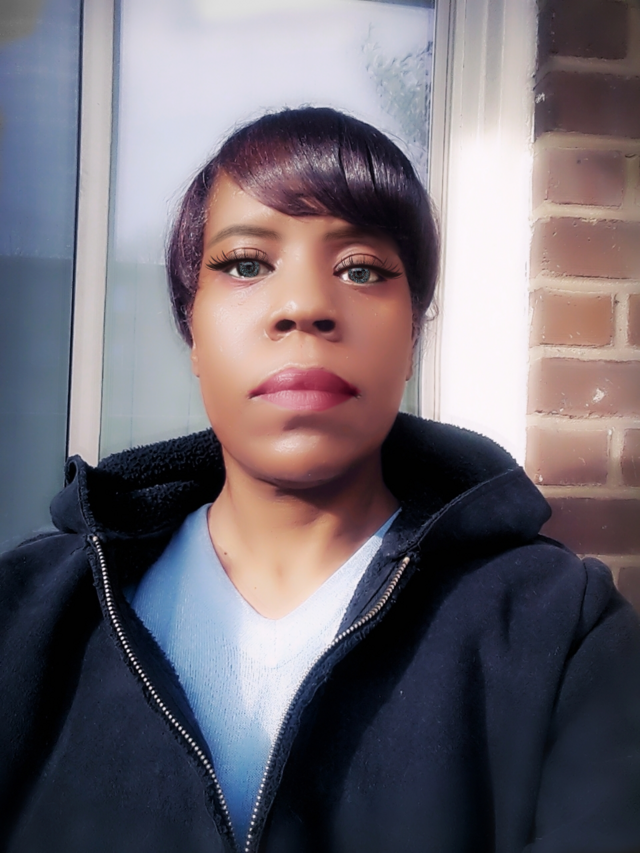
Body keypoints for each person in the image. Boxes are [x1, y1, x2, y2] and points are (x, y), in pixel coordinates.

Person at [1, 107, 640, 853]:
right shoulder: (25, 617)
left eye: (361, 269)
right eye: (246, 264)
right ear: (191, 330)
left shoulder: (565, 633)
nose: (305, 306)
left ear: (413, 334)